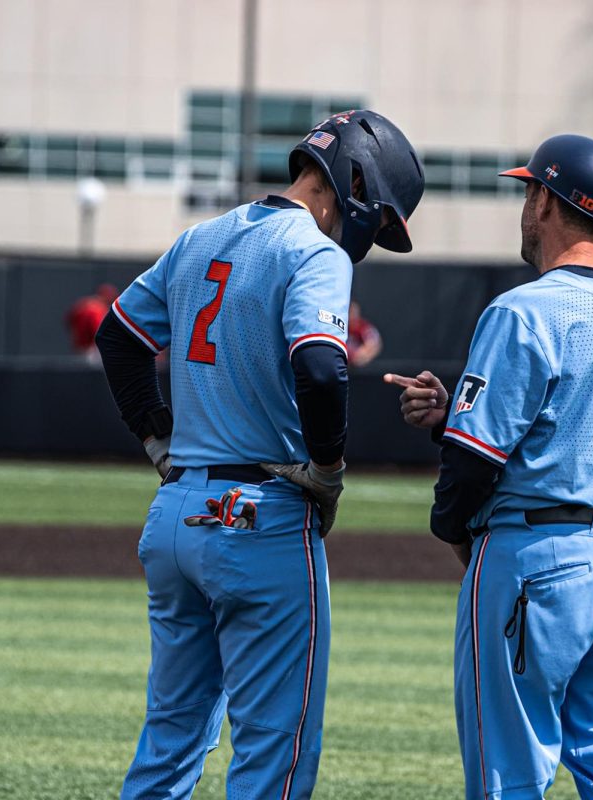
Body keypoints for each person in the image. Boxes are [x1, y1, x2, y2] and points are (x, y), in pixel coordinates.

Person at [94, 109, 424, 799]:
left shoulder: (200, 237)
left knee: (170, 745)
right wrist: (329, 468)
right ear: (356, 181)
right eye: (380, 212)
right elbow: (322, 366)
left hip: (178, 514)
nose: (371, 232)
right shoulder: (315, 251)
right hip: (260, 520)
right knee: (275, 754)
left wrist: (156, 436)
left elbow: (118, 336)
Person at [385, 134, 593, 800]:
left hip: (534, 558)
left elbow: (474, 458)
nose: (525, 204)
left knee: (507, 773)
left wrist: (453, 528)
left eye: (528, 191)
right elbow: (572, 428)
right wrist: (450, 416)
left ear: (546, 199)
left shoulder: (523, 310)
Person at [65, 283, 119, 362]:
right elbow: (98, 330)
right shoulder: (98, 308)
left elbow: (68, 320)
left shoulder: (82, 303)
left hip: (80, 346)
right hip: (93, 349)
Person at [346, 300, 383, 367]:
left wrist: (361, 356)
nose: (352, 315)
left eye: (353, 312)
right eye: (349, 312)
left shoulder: (364, 327)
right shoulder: (341, 328)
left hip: (362, 367)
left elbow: (374, 345)